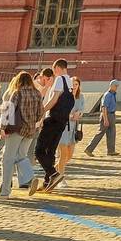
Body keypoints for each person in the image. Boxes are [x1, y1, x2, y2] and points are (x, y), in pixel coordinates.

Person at [0, 72, 43, 199]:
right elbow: (40, 113)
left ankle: (5, 191)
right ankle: (29, 179)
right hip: (31, 130)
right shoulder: (37, 93)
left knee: (8, 159)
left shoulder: (17, 93)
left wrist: (3, 128)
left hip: (16, 130)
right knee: (21, 156)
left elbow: (8, 111)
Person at [35, 59, 73, 191]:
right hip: (62, 122)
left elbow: (54, 99)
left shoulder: (59, 79)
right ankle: (47, 182)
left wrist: (42, 110)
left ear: (57, 67)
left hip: (52, 120)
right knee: (50, 151)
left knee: (39, 150)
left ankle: (53, 174)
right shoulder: (70, 81)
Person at [55, 76, 84, 186]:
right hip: (63, 128)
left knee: (69, 155)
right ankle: (60, 179)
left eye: (76, 84)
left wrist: (79, 114)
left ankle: (53, 171)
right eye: (73, 84)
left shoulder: (80, 97)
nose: (74, 86)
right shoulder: (63, 96)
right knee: (62, 155)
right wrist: (70, 115)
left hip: (73, 129)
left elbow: (82, 109)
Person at [84, 80, 120, 156]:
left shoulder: (113, 95)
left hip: (112, 115)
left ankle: (111, 150)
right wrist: (105, 119)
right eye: (115, 86)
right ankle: (89, 149)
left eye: (117, 86)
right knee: (100, 133)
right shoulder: (107, 95)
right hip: (106, 115)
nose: (116, 88)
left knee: (112, 133)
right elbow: (104, 107)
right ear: (111, 86)